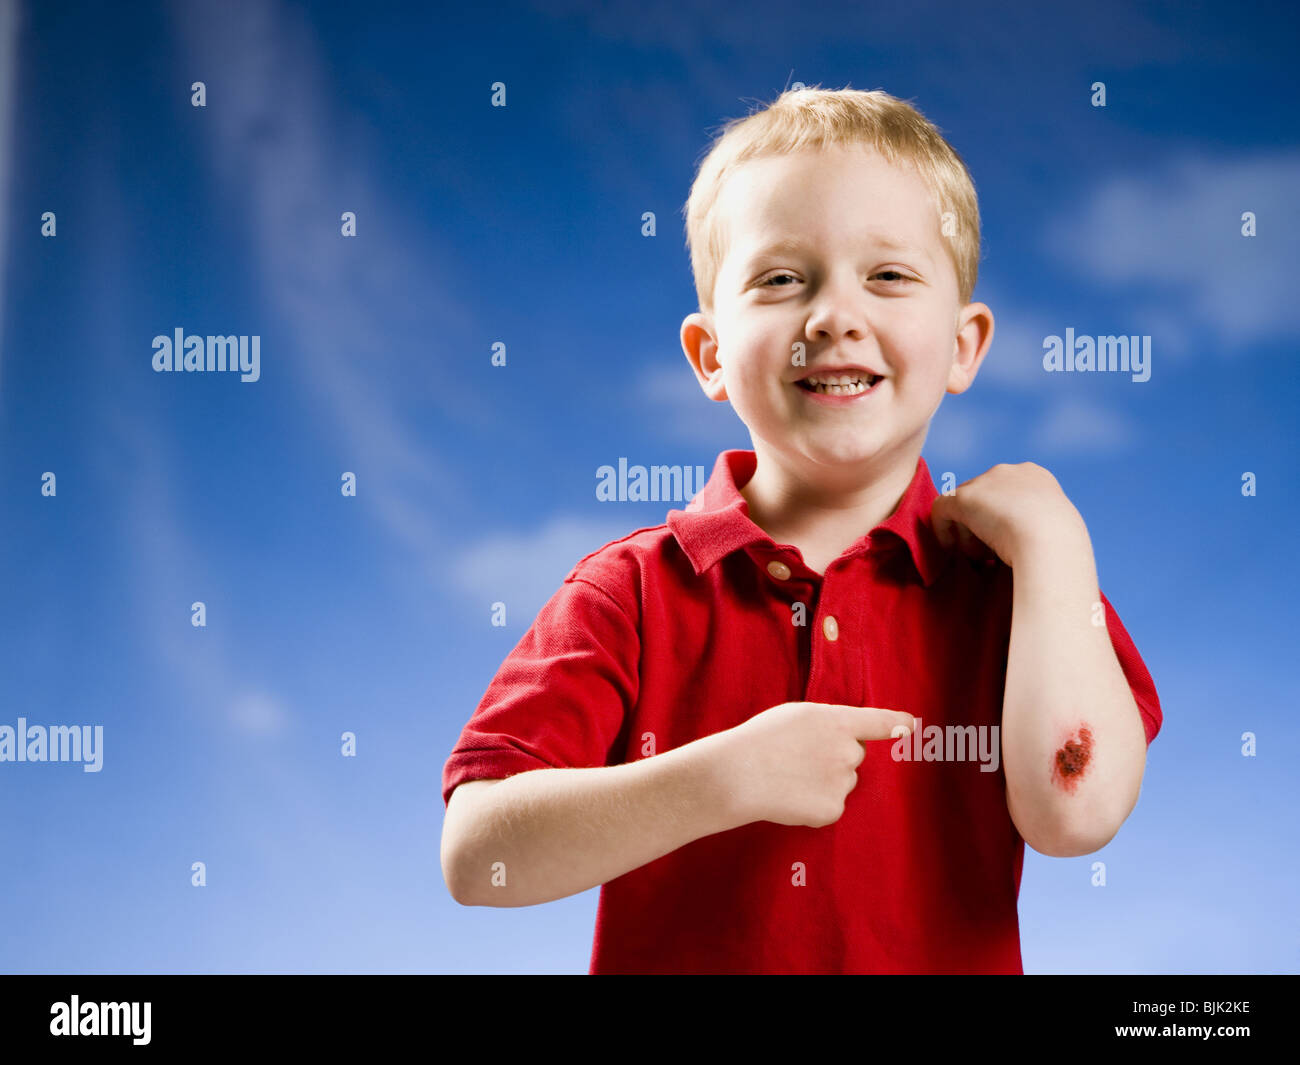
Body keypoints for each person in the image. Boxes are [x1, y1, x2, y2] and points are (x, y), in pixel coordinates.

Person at [439, 86, 1163, 974]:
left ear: (966, 345)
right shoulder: (627, 594)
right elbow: (478, 855)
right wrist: (717, 778)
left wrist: (1056, 542)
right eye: (781, 279)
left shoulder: (1022, 589)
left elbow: (1075, 813)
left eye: (889, 274)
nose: (832, 315)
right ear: (710, 355)